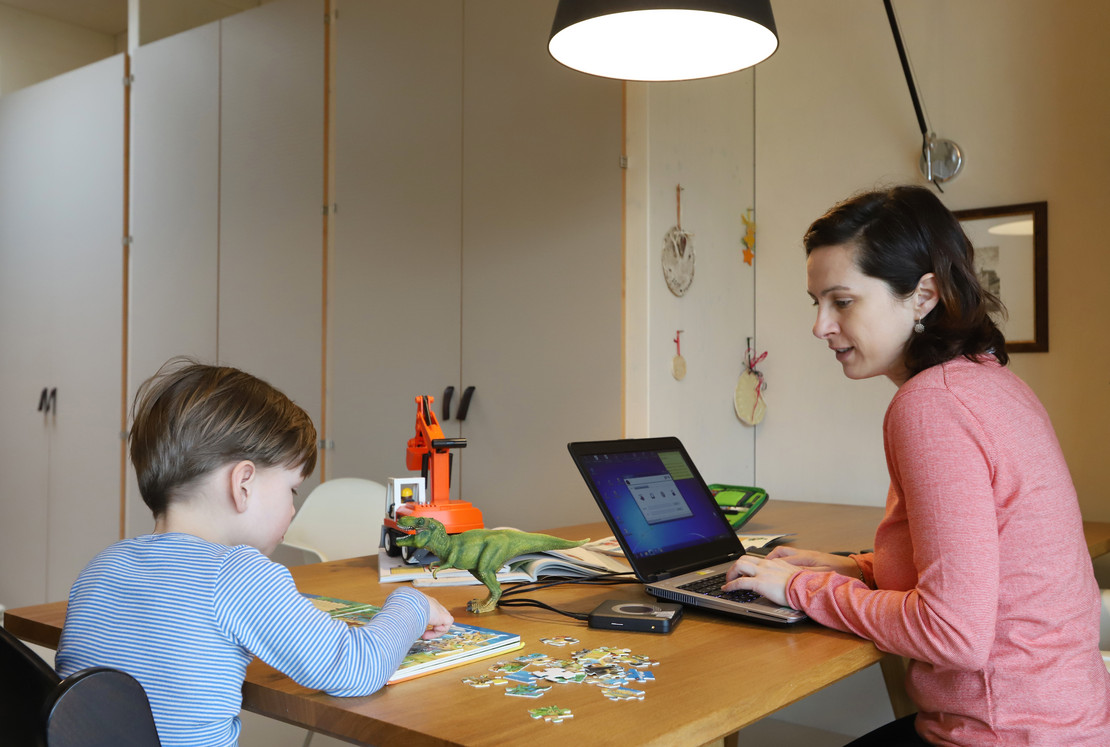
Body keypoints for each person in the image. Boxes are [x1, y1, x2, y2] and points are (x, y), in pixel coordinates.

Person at [723, 186, 1110, 745]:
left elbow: (954, 633)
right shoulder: (991, 380)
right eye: (816, 303)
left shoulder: (930, 405)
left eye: (843, 301)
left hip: (1004, 734)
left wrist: (802, 588)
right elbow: (978, 572)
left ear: (923, 295)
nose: (820, 326)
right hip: (1068, 722)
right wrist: (856, 568)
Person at [57, 359, 453, 747]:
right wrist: (411, 604)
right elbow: (356, 667)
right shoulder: (237, 574)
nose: (294, 508)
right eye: (292, 490)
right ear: (243, 483)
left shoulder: (102, 567)